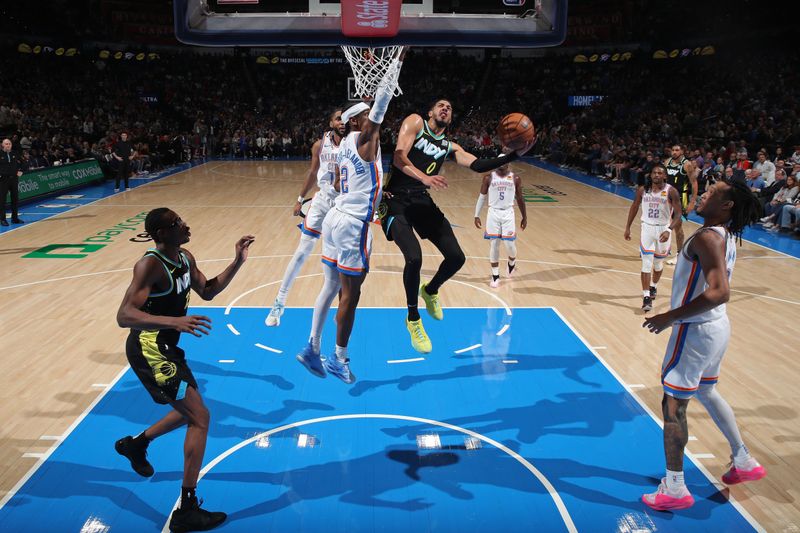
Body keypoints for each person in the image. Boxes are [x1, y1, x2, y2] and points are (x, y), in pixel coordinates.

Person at [115, 207, 254, 531]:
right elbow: (124, 315)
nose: (186, 225)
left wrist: (236, 262)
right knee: (200, 417)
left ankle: (137, 444)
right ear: (162, 233)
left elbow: (207, 291)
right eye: (178, 223)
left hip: (167, 347)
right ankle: (186, 509)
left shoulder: (185, 257)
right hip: (150, 347)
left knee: (187, 411)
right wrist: (174, 320)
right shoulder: (149, 265)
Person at [641, 178, 764, 511]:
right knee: (708, 392)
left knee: (673, 407)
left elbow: (719, 291)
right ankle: (743, 460)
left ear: (727, 206)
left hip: (694, 331)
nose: (703, 194)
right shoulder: (725, 234)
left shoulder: (708, 237)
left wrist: (671, 316)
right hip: (716, 327)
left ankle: (676, 488)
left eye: (712, 193)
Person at [381, 99, 532, 353]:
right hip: (394, 200)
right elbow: (398, 158)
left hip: (420, 200)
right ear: (430, 112)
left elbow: (477, 165)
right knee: (414, 258)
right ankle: (413, 319)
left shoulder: (449, 146)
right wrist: (425, 177)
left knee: (456, 257)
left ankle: (430, 290)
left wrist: (514, 154)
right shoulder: (416, 122)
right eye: (441, 105)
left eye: (450, 107)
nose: (446, 108)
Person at [295, 55, 402, 384]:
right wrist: (396, 64)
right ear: (359, 122)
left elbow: (342, 183)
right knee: (349, 296)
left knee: (329, 286)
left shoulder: (343, 145)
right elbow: (382, 104)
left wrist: (373, 191)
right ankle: (338, 359)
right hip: (354, 225)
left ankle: (312, 347)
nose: (375, 118)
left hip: (335, 217)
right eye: (368, 116)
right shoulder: (365, 141)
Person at [266, 108, 345, 326]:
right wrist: (300, 198)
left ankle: (343, 309)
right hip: (322, 201)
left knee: (340, 260)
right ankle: (279, 302)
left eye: (345, 118)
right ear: (331, 122)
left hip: (343, 204)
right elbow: (312, 173)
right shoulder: (320, 145)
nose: (342, 122)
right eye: (338, 118)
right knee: (302, 252)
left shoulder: (355, 143)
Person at [624, 164, 682, 311]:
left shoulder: (671, 191)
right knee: (646, 264)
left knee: (658, 265)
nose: (656, 175)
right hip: (647, 228)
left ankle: (654, 286)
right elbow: (634, 206)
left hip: (663, 229)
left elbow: (679, 214)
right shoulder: (643, 190)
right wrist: (628, 227)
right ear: (650, 175)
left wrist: (669, 229)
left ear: (665, 176)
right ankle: (646, 297)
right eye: (654, 172)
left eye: (660, 173)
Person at [473, 164, 527, 288]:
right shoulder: (488, 178)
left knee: (510, 245)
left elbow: (520, 198)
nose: (501, 164)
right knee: (494, 244)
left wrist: (525, 216)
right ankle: (495, 276)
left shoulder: (515, 178)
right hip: (493, 213)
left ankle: (512, 262)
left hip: (508, 213)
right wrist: (476, 215)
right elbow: (482, 197)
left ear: (508, 164)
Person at [664, 144, 699, 265]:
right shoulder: (667, 162)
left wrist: (692, 202)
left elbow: (694, 183)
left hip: (679, 198)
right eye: (672, 150)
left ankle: (679, 254)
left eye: (677, 150)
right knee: (662, 222)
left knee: (677, 227)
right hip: (666, 196)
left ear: (682, 152)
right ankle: (665, 249)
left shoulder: (687, 164)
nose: (674, 152)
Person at [0, 138, 24, 226]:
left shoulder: (15, 153)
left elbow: (23, 162)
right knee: (2, 200)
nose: (8, 145)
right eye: (6, 144)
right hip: (3, 180)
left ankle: (15, 218)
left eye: (9, 144)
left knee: (15, 199)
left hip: (14, 179)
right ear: (2, 145)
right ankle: (2, 219)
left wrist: (21, 170)